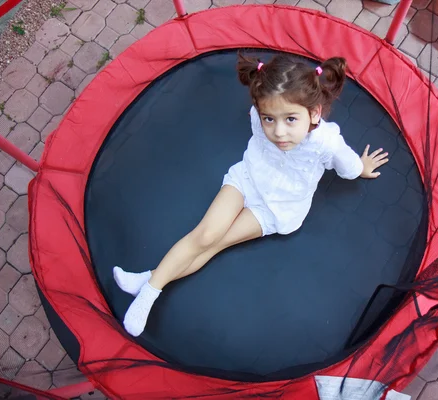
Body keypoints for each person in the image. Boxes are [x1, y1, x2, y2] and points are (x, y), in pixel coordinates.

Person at [113, 53, 390, 337]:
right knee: (205, 235)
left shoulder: (326, 142)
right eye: (269, 118)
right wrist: (268, 113)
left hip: (278, 208)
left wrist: (362, 167)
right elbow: (265, 114)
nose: (279, 132)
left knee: (216, 244)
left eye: (291, 119)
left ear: (315, 113)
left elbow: (349, 168)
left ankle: (149, 281)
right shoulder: (259, 118)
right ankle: (149, 290)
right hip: (246, 180)